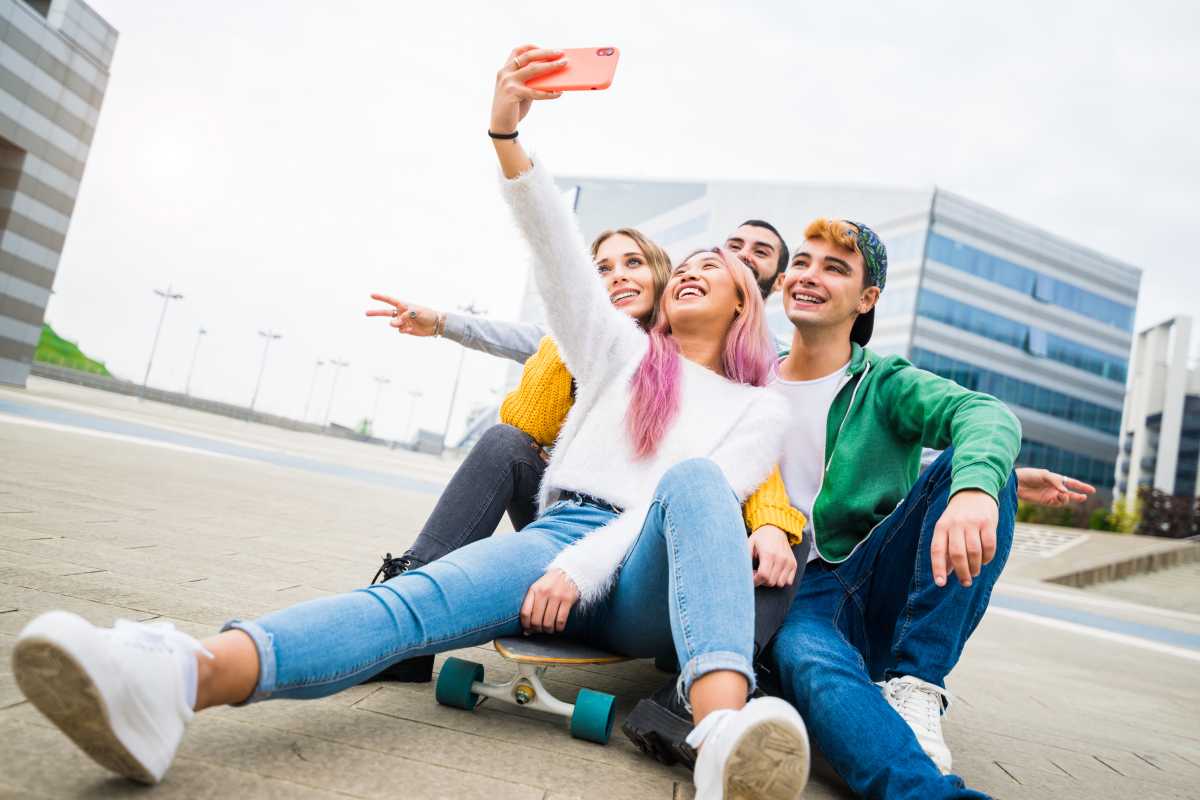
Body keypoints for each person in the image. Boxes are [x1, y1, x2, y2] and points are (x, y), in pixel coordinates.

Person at [11, 45, 812, 800]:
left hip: (642, 570)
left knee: (697, 480)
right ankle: (177, 677)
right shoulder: (620, 354)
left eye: (718, 269)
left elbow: (667, 509)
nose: (695, 273)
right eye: (690, 267)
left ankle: (718, 738)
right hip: (554, 536)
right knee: (410, 605)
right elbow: (560, 258)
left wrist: (583, 571)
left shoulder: (756, 408)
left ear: (746, 303)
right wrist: (508, 134)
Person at [760, 216, 1025, 799]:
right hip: (789, 591)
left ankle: (917, 683)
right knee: (807, 658)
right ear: (782, 282)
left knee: (976, 465)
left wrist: (976, 487)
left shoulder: (886, 383)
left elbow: (987, 415)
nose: (810, 275)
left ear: (867, 297)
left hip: (872, 574)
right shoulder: (749, 377)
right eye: (802, 262)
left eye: (835, 268)